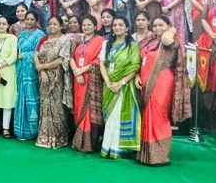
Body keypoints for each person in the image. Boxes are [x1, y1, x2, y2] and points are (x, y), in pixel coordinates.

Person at [135, 15, 191, 165]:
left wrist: (172, 29)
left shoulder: (171, 41)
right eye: (155, 26)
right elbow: (140, 60)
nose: (157, 28)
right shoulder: (150, 41)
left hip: (162, 82)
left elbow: (166, 38)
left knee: (158, 116)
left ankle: (159, 155)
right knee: (147, 116)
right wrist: (136, 77)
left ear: (168, 26)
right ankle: (146, 154)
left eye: (161, 25)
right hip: (145, 82)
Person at [99, 16, 141, 159]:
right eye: (115, 25)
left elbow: (134, 66)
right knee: (110, 117)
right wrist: (108, 82)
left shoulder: (132, 45)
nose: (117, 27)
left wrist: (120, 83)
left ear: (127, 28)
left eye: (120, 25)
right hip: (108, 85)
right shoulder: (107, 44)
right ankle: (107, 147)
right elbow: (102, 64)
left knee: (118, 116)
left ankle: (118, 148)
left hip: (124, 87)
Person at [34, 16, 72, 148]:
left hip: (57, 77)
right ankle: (44, 137)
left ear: (61, 26)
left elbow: (62, 60)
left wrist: (43, 67)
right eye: (50, 24)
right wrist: (42, 71)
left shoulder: (65, 40)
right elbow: (36, 55)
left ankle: (59, 138)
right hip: (43, 77)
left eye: (55, 24)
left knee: (57, 107)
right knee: (45, 105)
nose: (51, 26)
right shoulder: (44, 38)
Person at [70, 15, 105, 152]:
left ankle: (89, 143)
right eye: (84, 25)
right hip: (77, 78)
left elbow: (98, 60)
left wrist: (82, 71)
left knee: (89, 110)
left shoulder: (100, 41)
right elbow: (71, 57)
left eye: (89, 25)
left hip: (91, 79)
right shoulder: (79, 40)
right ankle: (78, 141)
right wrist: (76, 72)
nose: (86, 27)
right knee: (79, 107)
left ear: (95, 26)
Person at [14, 11, 46, 140]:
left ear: (36, 21)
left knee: (31, 97)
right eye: (27, 19)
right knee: (21, 97)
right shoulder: (23, 34)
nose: (29, 21)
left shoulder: (40, 35)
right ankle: (21, 130)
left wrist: (24, 56)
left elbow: (40, 53)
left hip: (32, 70)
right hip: (21, 69)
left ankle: (32, 131)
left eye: (32, 19)